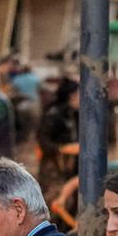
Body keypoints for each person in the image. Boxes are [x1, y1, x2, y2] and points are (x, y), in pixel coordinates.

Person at [37, 76, 80, 205]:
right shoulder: (54, 114)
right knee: (54, 201)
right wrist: (63, 148)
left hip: (70, 166)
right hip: (53, 167)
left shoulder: (74, 113)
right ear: (71, 95)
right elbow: (43, 141)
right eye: (79, 94)